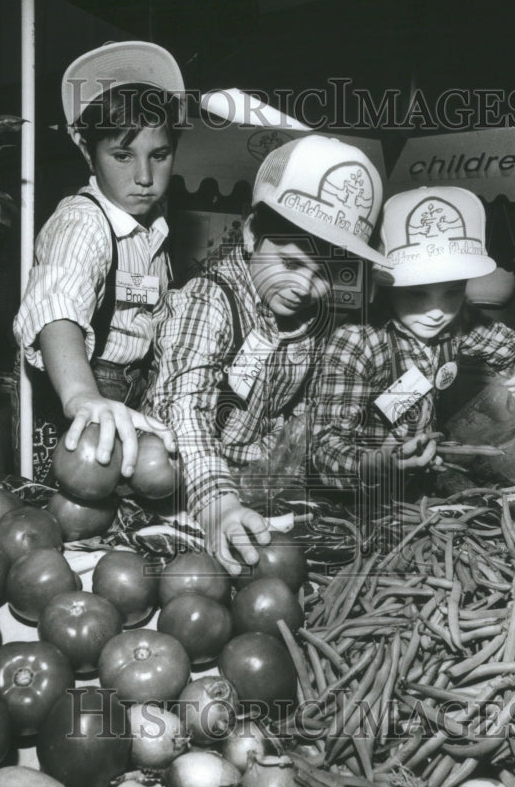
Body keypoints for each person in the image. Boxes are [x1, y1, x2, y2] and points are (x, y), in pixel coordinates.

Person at [145, 135, 386, 574]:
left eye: (324, 275)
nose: (303, 288)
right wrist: (218, 504)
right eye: (292, 265)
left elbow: (303, 415)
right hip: (185, 488)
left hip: (253, 491)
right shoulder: (211, 300)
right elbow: (183, 407)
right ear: (253, 232)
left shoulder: (310, 319)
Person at [311, 185, 515, 490]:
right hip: (360, 496)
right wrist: (375, 464)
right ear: (387, 285)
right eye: (417, 293)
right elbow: (324, 449)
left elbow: (510, 349)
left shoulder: (457, 321)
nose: (437, 312)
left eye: (453, 292)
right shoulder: (354, 341)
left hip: (420, 484)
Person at [13, 41, 184, 483]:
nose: (145, 177)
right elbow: (57, 306)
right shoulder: (83, 223)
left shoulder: (156, 227)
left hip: (134, 389)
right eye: (122, 156)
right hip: (78, 392)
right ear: (87, 151)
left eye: (159, 156)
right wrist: (81, 396)